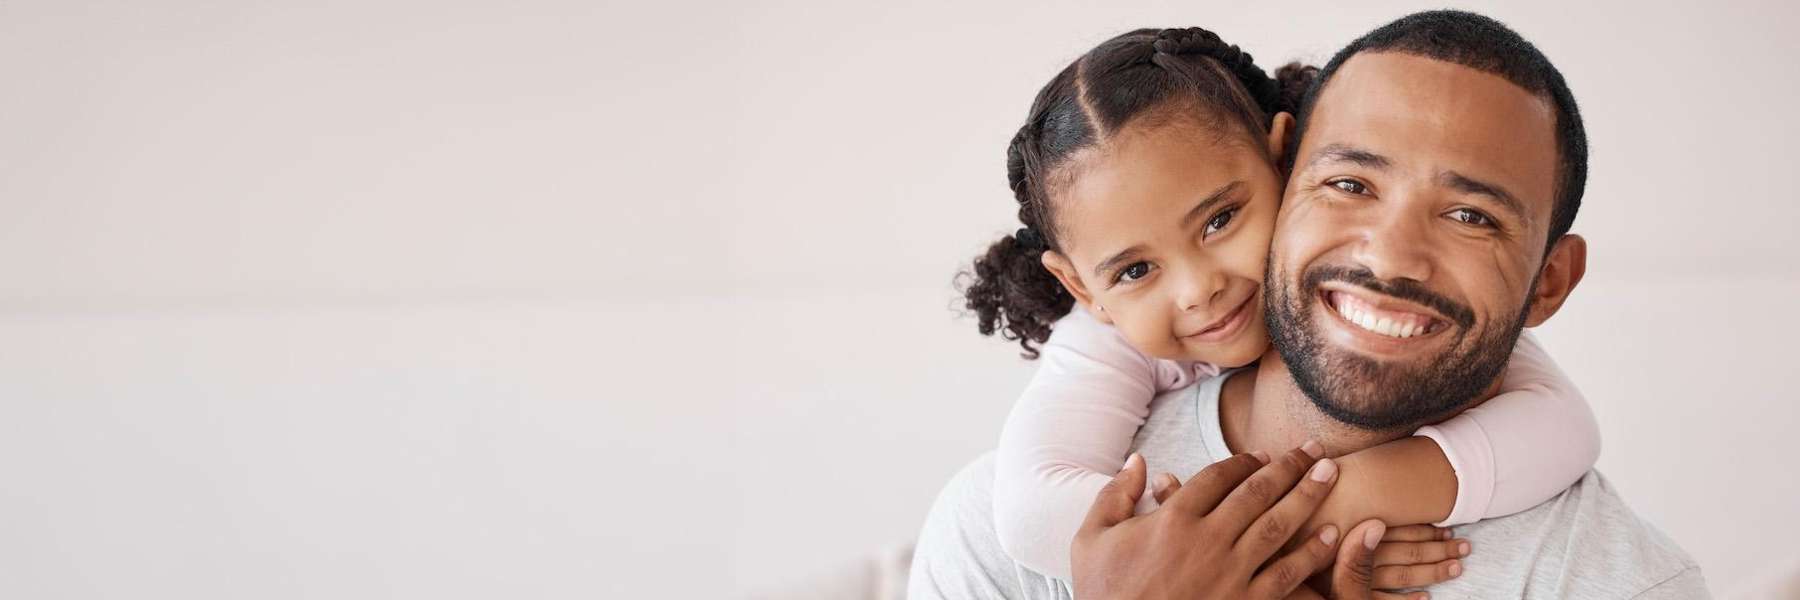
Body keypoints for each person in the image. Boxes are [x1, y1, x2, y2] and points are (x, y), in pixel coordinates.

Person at [910, 10, 1707, 599]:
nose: (1390, 257)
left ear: (1550, 282)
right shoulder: (998, 531)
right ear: (1291, 171)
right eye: (1350, 183)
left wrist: (1313, 519)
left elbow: (1564, 426)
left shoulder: (1629, 583)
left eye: (1472, 216)